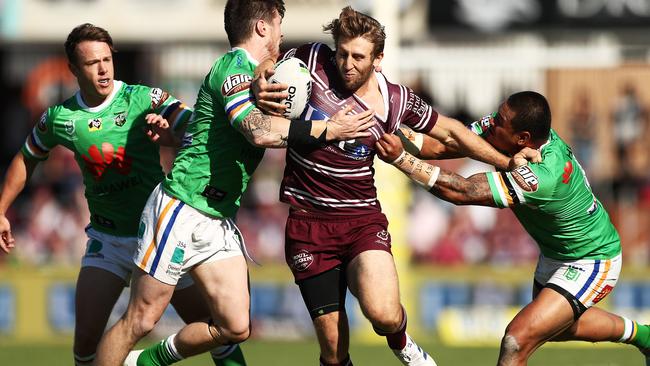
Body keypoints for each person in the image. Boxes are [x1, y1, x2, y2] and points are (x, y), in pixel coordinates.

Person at [92, 1, 375, 365]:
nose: (282, 32)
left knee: (236, 326)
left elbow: (214, 124)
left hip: (217, 217)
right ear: (262, 28)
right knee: (141, 319)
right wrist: (328, 129)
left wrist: (265, 69)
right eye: (278, 23)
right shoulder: (233, 69)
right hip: (183, 206)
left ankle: (147, 361)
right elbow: (256, 132)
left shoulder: (259, 74)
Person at [252, 6, 515, 366]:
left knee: (385, 314)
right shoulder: (311, 58)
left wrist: (505, 161)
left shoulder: (395, 100)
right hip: (307, 224)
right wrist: (261, 75)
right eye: (342, 53)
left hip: (361, 221)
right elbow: (269, 62)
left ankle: (403, 343)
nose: (347, 63)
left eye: (358, 56)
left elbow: (450, 132)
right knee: (333, 351)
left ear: (378, 59)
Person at [0, 23, 247, 366]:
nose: (102, 68)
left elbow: (192, 126)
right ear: (73, 69)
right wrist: (1, 209)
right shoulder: (61, 118)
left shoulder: (142, 98)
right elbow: (26, 158)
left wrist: (170, 134)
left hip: (160, 234)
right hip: (109, 239)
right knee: (85, 340)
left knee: (215, 326)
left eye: (107, 59)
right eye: (91, 63)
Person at [375, 91, 650, 366]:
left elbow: (462, 191)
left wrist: (402, 160)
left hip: (591, 259)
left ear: (523, 138)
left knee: (516, 340)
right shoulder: (507, 131)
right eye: (497, 113)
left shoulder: (543, 177)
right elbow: (442, 144)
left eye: (500, 120)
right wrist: (383, 126)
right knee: (556, 327)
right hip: (555, 255)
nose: (491, 122)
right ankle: (644, 336)